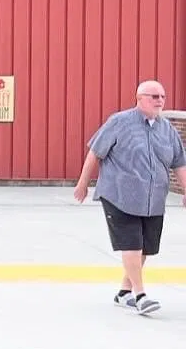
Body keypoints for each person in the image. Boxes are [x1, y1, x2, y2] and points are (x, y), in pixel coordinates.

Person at [74, 80, 186, 317]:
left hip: (153, 199)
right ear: (139, 98)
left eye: (162, 97)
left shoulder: (167, 130)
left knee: (145, 247)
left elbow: (179, 163)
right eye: (154, 96)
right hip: (119, 195)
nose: (159, 101)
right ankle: (140, 295)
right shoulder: (119, 122)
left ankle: (124, 292)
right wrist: (83, 183)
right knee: (132, 244)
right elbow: (95, 151)